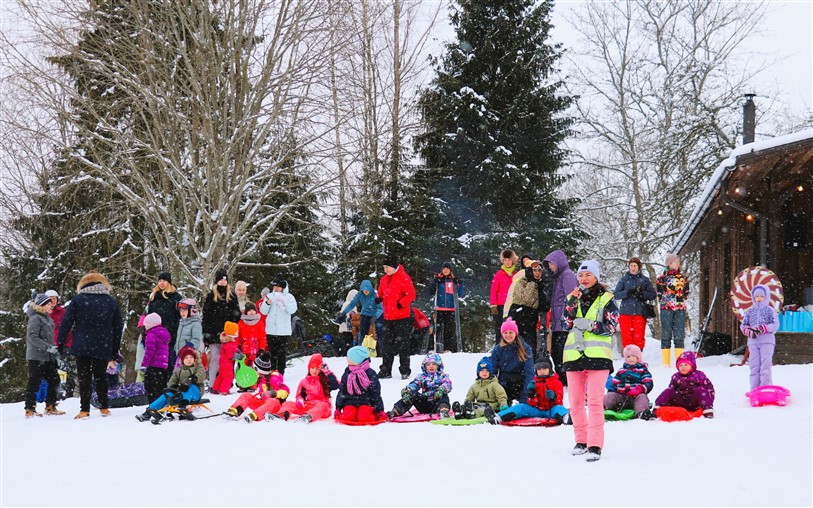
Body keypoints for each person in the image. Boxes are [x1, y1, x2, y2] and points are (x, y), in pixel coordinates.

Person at [562, 260, 619, 462]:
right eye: (581, 275)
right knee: (576, 403)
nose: (584, 279)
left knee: (594, 402)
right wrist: (571, 304)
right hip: (574, 355)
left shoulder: (607, 299)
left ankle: (595, 444)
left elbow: (611, 327)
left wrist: (591, 325)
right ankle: (581, 441)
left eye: (588, 275)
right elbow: (565, 322)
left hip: (598, 357)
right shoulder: (572, 298)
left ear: (596, 277)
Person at [57, 272, 123, 419]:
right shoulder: (110, 301)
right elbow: (118, 326)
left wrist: (60, 342)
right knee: (101, 376)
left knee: (84, 377)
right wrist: (114, 349)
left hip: (82, 344)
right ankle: (104, 407)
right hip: (103, 344)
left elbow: (66, 322)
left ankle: (84, 409)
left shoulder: (78, 299)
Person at [136, 346, 205, 423]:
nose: (189, 359)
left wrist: (191, 380)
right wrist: (173, 386)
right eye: (186, 358)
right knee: (167, 394)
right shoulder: (178, 370)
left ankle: (183, 405)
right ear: (182, 360)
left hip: (196, 391)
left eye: (191, 357)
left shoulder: (198, 367)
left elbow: (201, 375)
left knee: (190, 387)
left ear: (195, 358)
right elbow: (172, 381)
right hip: (182, 391)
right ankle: (149, 410)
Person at [267, 353, 339, 423]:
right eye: (312, 368)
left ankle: (308, 417)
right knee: (289, 403)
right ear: (309, 368)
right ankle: (282, 415)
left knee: (323, 405)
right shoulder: (304, 382)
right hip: (308, 406)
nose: (314, 371)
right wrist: (300, 400)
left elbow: (336, 385)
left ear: (320, 370)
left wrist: (328, 372)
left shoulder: (325, 380)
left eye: (317, 369)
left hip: (323, 409)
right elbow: (299, 395)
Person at [24, 294, 64, 417]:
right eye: (48, 304)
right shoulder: (35, 318)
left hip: (48, 356)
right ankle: (30, 409)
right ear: (41, 305)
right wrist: (47, 347)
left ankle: (50, 406)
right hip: (37, 356)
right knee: (34, 382)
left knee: (55, 379)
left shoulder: (47, 318)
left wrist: (54, 350)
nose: (51, 305)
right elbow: (32, 337)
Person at [377, 253, 416, 379]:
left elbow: (411, 294)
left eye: (387, 267)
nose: (386, 269)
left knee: (403, 345)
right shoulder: (384, 279)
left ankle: (405, 370)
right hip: (388, 317)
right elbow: (382, 293)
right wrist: (379, 298)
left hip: (402, 317)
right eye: (384, 267)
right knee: (386, 345)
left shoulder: (403, 278)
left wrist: (401, 303)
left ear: (394, 266)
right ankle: (386, 370)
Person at [543, 249, 578, 387]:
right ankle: (562, 379)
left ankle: (566, 379)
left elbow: (571, 298)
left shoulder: (567, 276)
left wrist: (568, 319)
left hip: (564, 322)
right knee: (557, 352)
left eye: (552, 263)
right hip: (557, 322)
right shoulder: (558, 277)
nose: (550, 267)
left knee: (561, 352)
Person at [494, 359, 568, 425]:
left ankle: (567, 418)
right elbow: (531, 403)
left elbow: (559, 401)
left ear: (550, 369)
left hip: (551, 410)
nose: (542, 371)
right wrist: (531, 394)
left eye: (545, 368)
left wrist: (553, 397)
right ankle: (498, 418)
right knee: (521, 407)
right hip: (536, 410)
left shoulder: (557, 382)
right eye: (539, 369)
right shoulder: (533, 383)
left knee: (559, 409)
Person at [223, 351, 291, 422]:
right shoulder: (261, 378)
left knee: (272, 401)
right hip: (264, 405)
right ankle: (234, 411)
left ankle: (254, 415)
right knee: (247, 395)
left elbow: (286, 390)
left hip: (276, 407)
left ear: (257, 369)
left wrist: (273, 393)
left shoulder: (273, 378)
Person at [202, 269, 241, 387]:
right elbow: (206, 315)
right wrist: (206, 333)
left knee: (228, 359)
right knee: (215, 358)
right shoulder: (211, 296)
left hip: (228, 333)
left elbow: (237, 313)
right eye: (221, 279)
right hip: (214, 333)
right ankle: (213, 383)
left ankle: (226, 383)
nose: (223, 282)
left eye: (225, 279)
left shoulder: (232, 296)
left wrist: (234, 319)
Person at [386, 352, 452, 419]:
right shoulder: (421, 377)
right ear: (425, 366)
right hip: (424, 403)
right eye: (428, 364)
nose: (431, 366)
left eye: (434, 364)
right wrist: (407, 392)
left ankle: (443, 411)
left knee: (444, 396)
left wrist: (441, 390)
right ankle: (395, 411)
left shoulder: (442, 376)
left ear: (438, 365)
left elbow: (447, 384)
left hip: (436, 403)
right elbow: (414, 385)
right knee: (411, 395)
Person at [740, 284, 779, 389]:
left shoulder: (770, 310)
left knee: (765, 366)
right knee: (754, 366)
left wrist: (763, 328)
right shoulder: (750, 311)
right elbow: (743, 325)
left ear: (766, 297)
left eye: (762, 296)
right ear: (753, 297)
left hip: (767, 342)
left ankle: (765, 388)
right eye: (757, 296)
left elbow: (776, 324)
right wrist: (748, 331)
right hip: (753, 342)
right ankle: (754, 389)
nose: (759, 299)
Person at [506, 260, 549, 354]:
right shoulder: (521, 282)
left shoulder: (541, 284)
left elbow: (545, 306)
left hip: (532, 322)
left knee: (531, 350)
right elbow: (526, 299)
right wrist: (534, 284)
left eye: (539, 271)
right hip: (519, 319)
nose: (537, 273)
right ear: (529, 271)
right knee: (518, 349)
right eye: (534, 270)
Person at [655, 351, 715, 418]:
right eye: (681, 365)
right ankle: (657, 409)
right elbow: (671, 390)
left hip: (695, 402)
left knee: (700, 390)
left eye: (686, 365)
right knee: (668, 391)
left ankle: (707, 411)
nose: (683, 367)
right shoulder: (676, 377)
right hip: (680, 401)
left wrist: (709, 400)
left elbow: (709, 388)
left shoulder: (699, 375)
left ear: (692, 366)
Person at [614, 257, 657, 351]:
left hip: (640, 312)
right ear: (629, 267)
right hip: (625, 312)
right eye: (631, 266)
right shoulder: (624, 279)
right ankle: (628, 356)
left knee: (639, 336)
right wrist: (627, 293)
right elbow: (616, 294)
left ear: (639, 267)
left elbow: (653, 295)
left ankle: (638, 356)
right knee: (626, 336)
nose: (633, 268)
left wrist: (642, 294)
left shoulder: (645, 280)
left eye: (635, 266)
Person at [334, 346, 385, 423]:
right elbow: (342, 391)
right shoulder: (347, 373)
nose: (347, 359)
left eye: (349, 358)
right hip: (350, 401)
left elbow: (375, 393)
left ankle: (372, 415)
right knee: (347, 417)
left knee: (363, 418)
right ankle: (354, 415)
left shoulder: (370, 374)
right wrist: (338, 407)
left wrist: (379, 410)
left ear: (357, 359)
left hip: (366, 402)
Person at [603, 344, 655, 420]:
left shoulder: (643, 370)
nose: (631, 359)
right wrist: (611, 393)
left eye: (633, 356)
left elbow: (649, 383)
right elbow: (614, 383)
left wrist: (640, 389)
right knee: (610, 396)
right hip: (621, 398)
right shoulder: (621, 371)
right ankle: (602, 408)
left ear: (638, 357)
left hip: (635, 398)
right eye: (628, 357)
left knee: (642, 397)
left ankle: (641, 413)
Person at [490, 318, 534, 404]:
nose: (508, 335)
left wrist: (525, 396)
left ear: (515, 333)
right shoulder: (498, 349)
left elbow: (529, 372)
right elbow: (493, 372)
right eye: (505, 333)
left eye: (511, 332)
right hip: (504, 384)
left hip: (521, 383)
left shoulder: (525, 348)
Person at [656, 253, 689, 367]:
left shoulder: (684, 278)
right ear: (669, 264)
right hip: (666, 308)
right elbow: (659, 294)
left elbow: (686, 293)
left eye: (679, 261)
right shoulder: (661, 279)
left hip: (680, 308)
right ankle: (666, 363)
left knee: (679, 335)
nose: (678, 263)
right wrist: (666, 300)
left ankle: (679, 361)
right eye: (676, 261)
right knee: (666, 334)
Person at [260, 278, 297, 374]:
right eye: (274, 287)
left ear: (283, 288)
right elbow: (263, 311)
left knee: (281, 353)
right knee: (272, 352)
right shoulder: (269, 296)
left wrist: (284, 300)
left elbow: (292, 309)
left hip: (283, 331)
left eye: (278, 287)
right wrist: (267, 304)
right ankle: (272, 371)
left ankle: (281, 372)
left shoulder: (289, 297)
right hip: (271, 330)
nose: (276, 289)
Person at [453, 356, 508, 422]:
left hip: (491, 407)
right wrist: (466, 404)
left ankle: (472, 413)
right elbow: (469, 398)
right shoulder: (474, 386)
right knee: (473, 406)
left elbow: (501, 396)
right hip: (478, 405)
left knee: (482, 410)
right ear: (478, 372)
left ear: (490, 373)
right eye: (482, 370)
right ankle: (461, 411)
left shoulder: (495, 385)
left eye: (487, 371)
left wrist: (503, 404)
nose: (484, 373)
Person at [147, 272, 183, 369]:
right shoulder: (154, 297)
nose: (162, 283)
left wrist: (173, 332)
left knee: (168, 362)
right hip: (155, 335)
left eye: (164, 281)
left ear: (169, 282)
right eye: (160, 281)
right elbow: (149, 315)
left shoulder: (176, 297)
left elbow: (180, 317)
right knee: (155, 362)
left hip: (170, 335)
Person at [428, 262, 465, 352]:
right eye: (444, 269)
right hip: (439, 308)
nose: (445, 271)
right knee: (437, 329)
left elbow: (460, 294)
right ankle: (434, 347)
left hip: (450, 308)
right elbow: (431, 291)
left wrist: (460, 284)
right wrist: (435, 281)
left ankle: (447, 349)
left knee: (449, 330)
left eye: (447, 269)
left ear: (450, 270)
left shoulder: (453, 280)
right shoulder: (438, 280)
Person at [46, 289, 76, 398]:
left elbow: (67, 328)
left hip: (64, 345)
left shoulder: (62, 312)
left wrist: (62, 342)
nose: (52, 301)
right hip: (50, 345)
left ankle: (68, 392)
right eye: (50, 299)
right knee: (52, 370)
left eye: (54, 298)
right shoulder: (45, 313)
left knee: (65, 369)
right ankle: (54, 393)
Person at [140, 312, 171, 404]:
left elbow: (149, 351)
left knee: (151, 388)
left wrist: (144, 364)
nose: (145, 327)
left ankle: (153, 406)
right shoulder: (164, 334)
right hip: (163, 366)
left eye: (145, 325)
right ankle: (162, 405)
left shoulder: (151, 335)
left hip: (153, 366)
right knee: (161, 387)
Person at [337, 280, 379, 346]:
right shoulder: (360, 294)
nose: (365, 292)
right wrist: (344, 312)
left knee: (373, 334)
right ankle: (361, 350)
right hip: (364, 315)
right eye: (364, 291)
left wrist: (376, 316)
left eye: (367, 290)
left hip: (374, 315)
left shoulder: (375, 295)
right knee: (362, 334)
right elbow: (352, 304)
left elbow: (380, 307)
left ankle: (372, 350)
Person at [490, 249, 518, 343]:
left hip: (513, 305)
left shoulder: (516, 274)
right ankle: (499, 347)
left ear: (512, 261)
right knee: (500, 329)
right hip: (501, 305)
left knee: (512, 329)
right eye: (505, 260)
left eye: (509, 260)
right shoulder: (499, 274)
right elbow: (493, 290)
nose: (507, 262)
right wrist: (493, 304)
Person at [211, 321, 241, 395]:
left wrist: (237, 351)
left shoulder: (227, 341)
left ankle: (215, 388)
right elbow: (229, 355)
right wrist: (237, 356)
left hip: (222, 362)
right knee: (228, 377)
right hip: (227, 363)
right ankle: (224, 390)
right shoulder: (230, 343)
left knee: (221, 375)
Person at [238, 302, 267, 367]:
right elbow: (238, 335)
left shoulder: (259, 323)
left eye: (253, 310)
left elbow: (262, 336)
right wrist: (238, 346)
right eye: (249, 310)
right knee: (243, 366)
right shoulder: (241, 323)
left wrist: (262, 348)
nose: (252, 312)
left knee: (254, 367)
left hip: (256, 350)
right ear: (246, 312)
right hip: (244, 349)